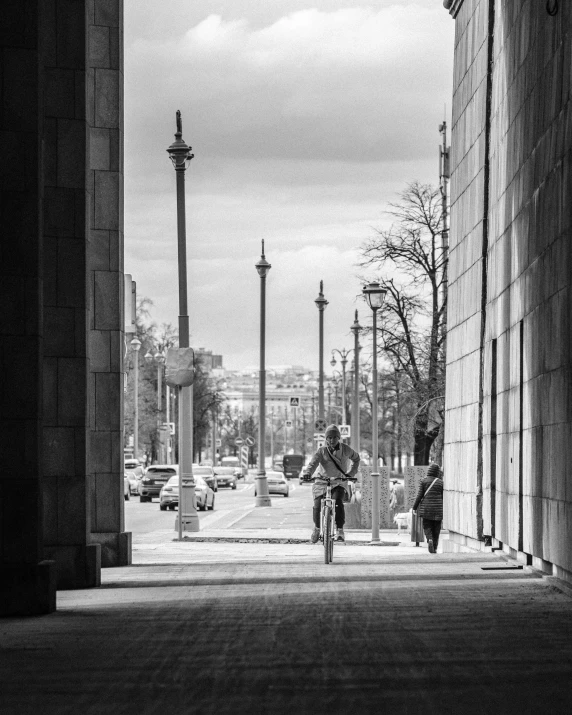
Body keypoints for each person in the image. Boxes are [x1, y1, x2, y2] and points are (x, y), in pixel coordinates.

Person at [302, 424, 360, 543]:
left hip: (339, 482)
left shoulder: (346, 449)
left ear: (338, 438)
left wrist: (351, 473)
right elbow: (313, 464)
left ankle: (339, 530)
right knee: (317, 505)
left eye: (334, 437)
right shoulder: (322, 451)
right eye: (329, 437)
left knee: (337, 501)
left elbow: (356, 458)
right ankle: (317, 528)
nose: (331, 440)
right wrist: (308, 473)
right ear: (326, 438)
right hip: (322, 481)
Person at [412, 462, 444, 553]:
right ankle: (435, 547)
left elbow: (419, 496)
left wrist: (414, 507)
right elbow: (443, 497)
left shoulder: (424, 481)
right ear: (437, 472)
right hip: (438, 510)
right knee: (436, 529)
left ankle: (429, 539)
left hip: (426, 509)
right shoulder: (440, 483)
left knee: (427, 526)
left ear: (429, 471)